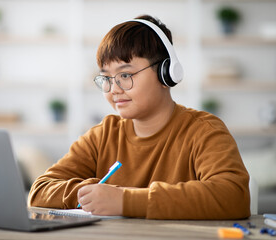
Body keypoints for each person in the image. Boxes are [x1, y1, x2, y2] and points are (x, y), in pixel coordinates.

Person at [28, 14, 250, 219]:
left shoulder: (204, 130)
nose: (114, 89)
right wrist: (89, 194)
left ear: (166, 73)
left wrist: (125, 200)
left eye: (125, 75)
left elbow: (233, 196)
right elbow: (39, 191)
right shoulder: (103, 135)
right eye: (106, 77)